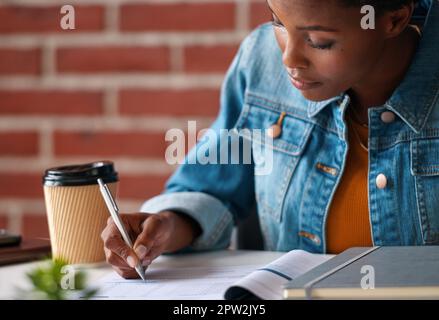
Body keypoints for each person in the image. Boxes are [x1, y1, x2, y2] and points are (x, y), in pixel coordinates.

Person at [101, 0, 438, 279]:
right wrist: (166, 226)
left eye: (319, 41)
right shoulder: (260, 59)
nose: (288, 59)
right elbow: (211, 188)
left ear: (393, 19)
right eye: (278, 22)